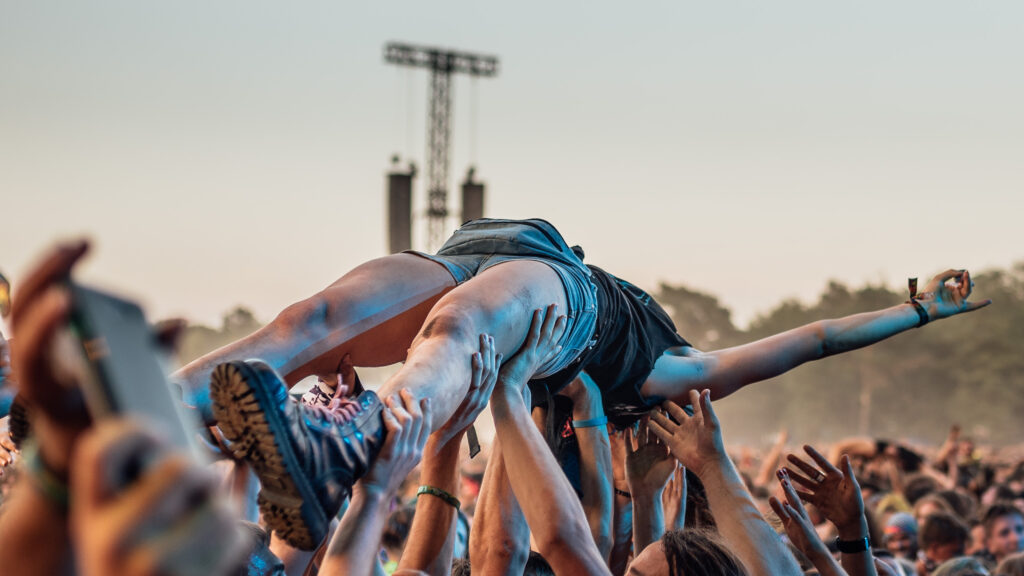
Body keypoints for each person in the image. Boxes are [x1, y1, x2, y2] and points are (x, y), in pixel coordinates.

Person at [124, 217, 990, 548]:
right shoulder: (629, 382)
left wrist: (918, 317)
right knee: (307, 325)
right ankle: (136, 418)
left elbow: (815, 339)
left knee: (448, 336)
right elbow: (815, 337)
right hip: (468, 253)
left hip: (554, 295)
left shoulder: (661, 374)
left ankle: (342, 448)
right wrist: (916, 306)